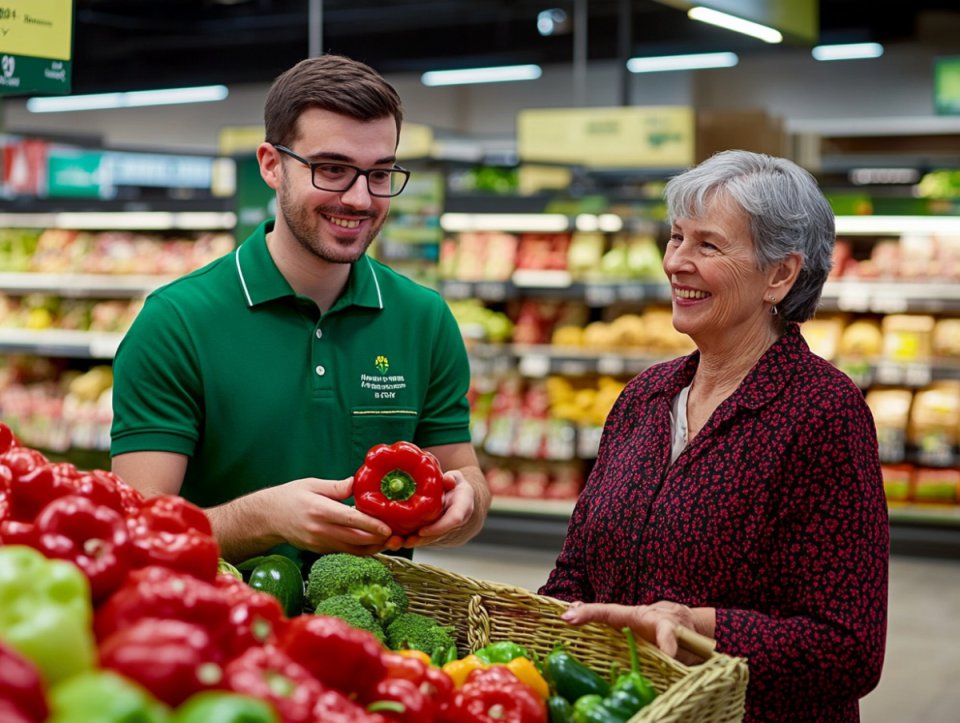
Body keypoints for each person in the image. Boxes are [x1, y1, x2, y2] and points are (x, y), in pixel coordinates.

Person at [540, 150, 888, 722]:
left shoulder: (824, 412)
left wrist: (694, 624)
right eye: (676, 237)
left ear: (780, 274)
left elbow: (847, 649)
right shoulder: (644, 398)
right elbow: (576, 569)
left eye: (708, 245)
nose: (677, 261)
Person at [110, 55, 490, 566]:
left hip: (377, 630)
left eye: (379, 174)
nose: (360, 198)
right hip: (216, 631)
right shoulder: (176, 321)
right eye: (332, 169)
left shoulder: (425, 318)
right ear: (271, 164)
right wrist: (263, 519)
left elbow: (464, 475)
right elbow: (139, 531)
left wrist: (466, 504)